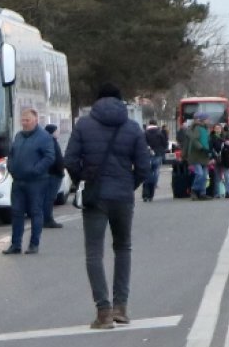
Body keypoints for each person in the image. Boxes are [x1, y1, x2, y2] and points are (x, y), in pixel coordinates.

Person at [64, 83, 150, 329]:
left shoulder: (84, 125)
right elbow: (144, 167)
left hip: (95, 195)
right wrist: (128, 184)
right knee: (123, 248)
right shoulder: (132, 128)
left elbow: (69, 159)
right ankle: (121, 307)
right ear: (121, 101)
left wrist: (84, 178)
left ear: (97, 100)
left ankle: (103, 312)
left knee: (94, 253)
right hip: (123, 196)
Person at [2, 108, 54, 255]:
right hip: (18, 181)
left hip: (36, 181)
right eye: (23, 120)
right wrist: (11, 167)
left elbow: (49, 157)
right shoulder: (18, 136)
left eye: (27, 120)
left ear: (36, 120)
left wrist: (36, 170)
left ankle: (34, 243)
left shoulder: (44, 137)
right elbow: (11, 154)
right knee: (17, 213)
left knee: (36, 212)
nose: (24, 123)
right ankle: (16, 244)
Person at [184, 112, 212, 200]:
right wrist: (201, 148)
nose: (209, 120)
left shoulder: (206, 129)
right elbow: (194, 140)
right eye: (207, 119)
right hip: (196, 155)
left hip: (204, 155)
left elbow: (207, 141)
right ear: (203, 120)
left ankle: (202, 193)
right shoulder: (197, 128)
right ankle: (194, 190)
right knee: (199, 174)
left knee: (204, 175)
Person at [43, 124, 65, 228]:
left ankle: (47, 218)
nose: (58, 132)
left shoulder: (52, 141)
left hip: (55, 174)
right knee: (49, 198)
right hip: (53, 174)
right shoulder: (49, 142)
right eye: (56, 131)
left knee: (50, 197)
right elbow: (52, 158)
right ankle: (47, 219)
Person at [143, 119, 168, 202]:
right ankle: (152, 192)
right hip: (158, 154)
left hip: (147, 154)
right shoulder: (160, 133)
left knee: (147, 172)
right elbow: (165, 143)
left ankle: (146, 194)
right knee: (156, 171)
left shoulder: (145, 133)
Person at [209, 124, 229, 198]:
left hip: (225, 158)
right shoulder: (211, 137)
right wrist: (212, 157)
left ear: (221, 129)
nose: (218, 130)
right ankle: (217, 193)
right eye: (216, 128)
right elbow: (210, 148)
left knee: (226, 175)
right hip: (216, 158)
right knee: (217, 177)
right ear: (213, 129)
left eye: (219, 128)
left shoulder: (225, 136)